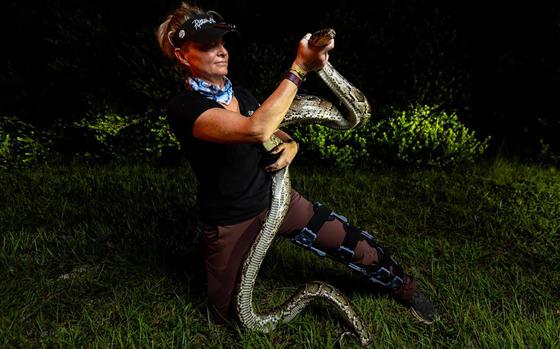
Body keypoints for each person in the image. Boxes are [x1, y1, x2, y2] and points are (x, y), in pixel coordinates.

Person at [156, 2, 435, 326]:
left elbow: (277, 131)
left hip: (279, 201)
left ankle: (404, 287)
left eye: (221, 43)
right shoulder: (185, 108)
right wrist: (299, 69)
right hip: (230, 222)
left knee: (355, 243)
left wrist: (293, 145)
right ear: (182, 56)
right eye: (207, 46)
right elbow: (257, 128)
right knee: (227, 318)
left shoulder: (243, 96)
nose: (221, 52)